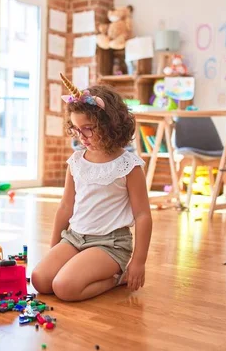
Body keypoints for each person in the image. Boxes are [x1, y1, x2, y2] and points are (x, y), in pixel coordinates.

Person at [32, 74, 152, 302]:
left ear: (110, 125)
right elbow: (65, 207)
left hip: (110, 244)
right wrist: (54, 247)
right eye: (76, 129)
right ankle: (80, 267)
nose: (81, 136)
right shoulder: (76, 161)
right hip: (75, 238)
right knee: (40, 280)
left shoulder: (128, 165)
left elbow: (143, 215)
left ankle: (117, 277)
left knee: (64, 287)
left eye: (88, 128)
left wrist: (138, 261)